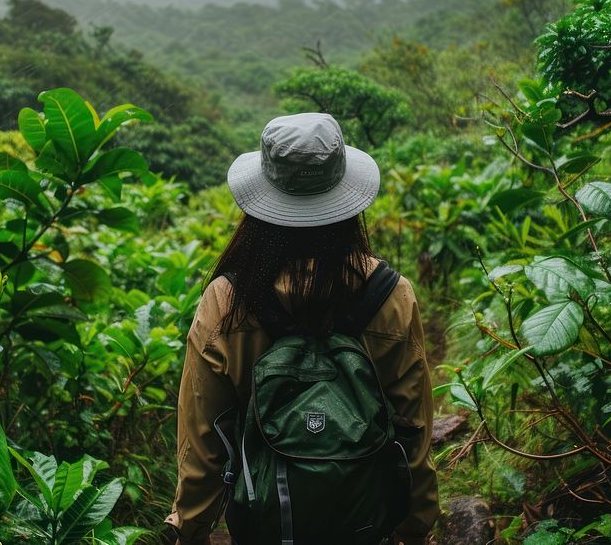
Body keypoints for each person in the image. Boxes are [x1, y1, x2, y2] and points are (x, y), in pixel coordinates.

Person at [165, 113, 439, 545]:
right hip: (365, 523)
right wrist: (416, 524)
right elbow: (413, 426)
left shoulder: (227, 301)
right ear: (345, 192)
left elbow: (204, 438)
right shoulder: (391, 295)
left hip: (264, 525)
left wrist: (191, 528)